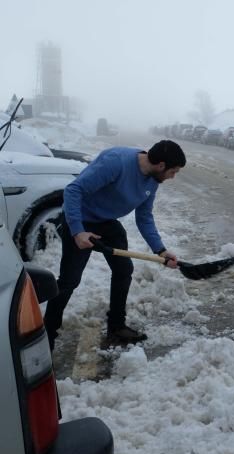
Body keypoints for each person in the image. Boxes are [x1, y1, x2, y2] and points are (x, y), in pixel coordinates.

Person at [44, 140, 186, 349]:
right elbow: (73, 190)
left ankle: (116, 326)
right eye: (173, 171)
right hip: (80, 219)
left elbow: (144, 217)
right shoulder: (116, 163)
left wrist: (161, 250)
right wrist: (77, 231)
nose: (173, 177)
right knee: (69, 280)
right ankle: (47, 335)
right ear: (161, 165)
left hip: (106, 222)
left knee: (123, 270)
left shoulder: (152, 180)